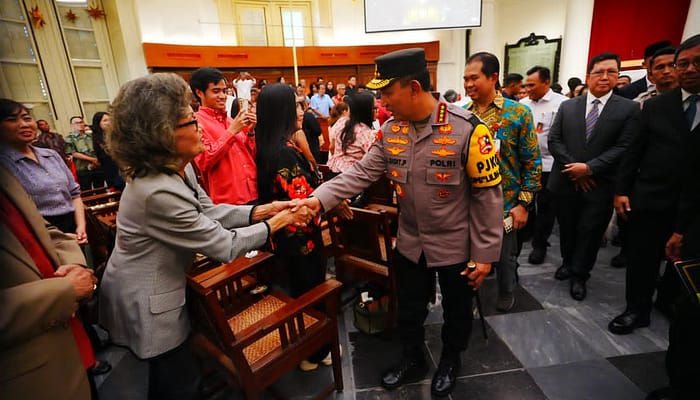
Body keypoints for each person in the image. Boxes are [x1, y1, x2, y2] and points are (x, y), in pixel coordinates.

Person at [294, 48, 503, 397]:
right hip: (410, 241)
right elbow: (360, 173)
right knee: (409, 307)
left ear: (414, 87)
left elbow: (488, 195)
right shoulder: (391, 131)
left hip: (456, 243)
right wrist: (317, 200)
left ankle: (450, 360)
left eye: (388, 92)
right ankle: (413, 358)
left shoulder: (468, 129)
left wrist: (484, 254)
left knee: (457, 311)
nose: (383, 102)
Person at [99, 73, 313, 400]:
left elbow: (208, 210)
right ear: (161, 134)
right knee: (177, 383)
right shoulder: (156, 190)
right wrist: (282, 220)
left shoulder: (177, 166)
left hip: (165, 284)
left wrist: (263, 211)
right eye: (190, 121)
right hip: (147, 298)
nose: (199, 126)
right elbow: (225, 245)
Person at [255, 83, 349, 372]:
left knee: (298, 290)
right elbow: (304, 197)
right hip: (300, 238)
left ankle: (307, 349)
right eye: (296, 106)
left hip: (285, 237)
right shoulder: (284, 152)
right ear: (282, 111)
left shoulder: (271, 146)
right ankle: (316, 352)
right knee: (310, 291)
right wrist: (332, 201)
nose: (302, 111)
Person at [608, 36, 696, 337]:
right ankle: (636, 309)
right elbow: (634, 151)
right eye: (683, 63)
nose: (687, 69)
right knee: (642, 258)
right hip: (652, 196)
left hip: (694, 204)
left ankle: (669, 300)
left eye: (697, 63)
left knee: (683, 257)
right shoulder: (656, 106)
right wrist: (621, 190)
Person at [548, 52, 640, 301]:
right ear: (589, 76)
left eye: (611, 72)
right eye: (599, 72)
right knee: (567, 228)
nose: (605, 77)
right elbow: (554, 140)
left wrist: (589, 169)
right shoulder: (568, 106)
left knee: (590, 232)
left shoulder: (629, 108)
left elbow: (624, 146)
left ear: (618, 76)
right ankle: (568, 262)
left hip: (599, 184)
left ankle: (580, 275)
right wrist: (575, 169)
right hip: (566, 181)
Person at [1, 164, 97, 400]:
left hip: (68, 345)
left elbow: (44, 229)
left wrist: (76, 264)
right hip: (26, 372)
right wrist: (64, 291)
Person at [464, 52, 542, 312]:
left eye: (474, 78)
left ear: (493, 77)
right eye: (465, 79)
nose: (468, 84)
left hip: (506, 204)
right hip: (470, 203)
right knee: (470, 255)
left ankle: (507, 290)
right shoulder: (462, 115)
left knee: (506, 257)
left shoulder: (518, 113)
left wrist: (524, 204)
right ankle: (471, 294)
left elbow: (531, 162)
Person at [0, 99, 87, 245]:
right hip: (37, 235)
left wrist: (81, 227)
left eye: (27, 118)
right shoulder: (5, 164)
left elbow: (74, 194)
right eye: (12, 120)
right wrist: (59, 238)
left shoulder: (51, 155)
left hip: (72, 224)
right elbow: (12, 217)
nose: (24, 124)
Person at [520, 66, 569, 265]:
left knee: (546, 208)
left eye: (532, 85)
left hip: (549, 165)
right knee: (526, 202)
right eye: (526, 85)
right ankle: (527, 233)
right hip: (526, 165)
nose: (528, 89)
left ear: (546, 83)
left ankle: (540, 244)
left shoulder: (562, 104)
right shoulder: (522, 104)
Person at [190, 67, 258, 205]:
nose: (223, 96)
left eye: (224, 91)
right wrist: (231, 132)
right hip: (229, 201)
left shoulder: (230, 120)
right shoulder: (196, 123)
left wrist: (251, 133)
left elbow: (250, 155)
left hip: (253, 192)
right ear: (199, 93)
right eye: (216, 91)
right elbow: (204, 161)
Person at [327, 91, 376, 176]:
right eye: (374, 108)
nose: (377, 111)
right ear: (367, 110)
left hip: (334, 171)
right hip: (353, 175)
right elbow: (373, 158)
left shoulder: (341, 122)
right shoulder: (365, 132)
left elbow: (332, 146)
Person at [65, 115, 104, 190]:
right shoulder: (70, 138)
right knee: (86, 190)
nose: (80, 124)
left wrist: (96, 160)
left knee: (101, 189)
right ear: (72, 125)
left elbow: (99, 148)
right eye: (77, 123)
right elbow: (73, 153)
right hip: (83, 168)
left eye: (81, 122)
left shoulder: (91, 136)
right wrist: (92, 159)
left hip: (97, 166)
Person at [91, 112, 124, 191]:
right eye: (105, 120)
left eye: (110, 120)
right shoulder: (97, 138)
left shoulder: (117, 135)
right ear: (98, 124)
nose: (109, 122)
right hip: (112, 171)